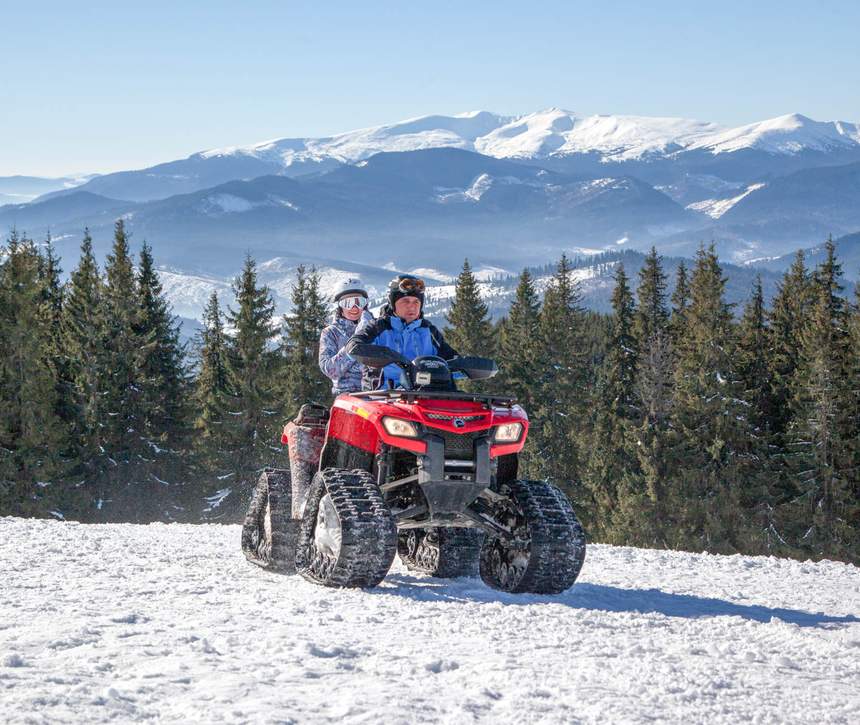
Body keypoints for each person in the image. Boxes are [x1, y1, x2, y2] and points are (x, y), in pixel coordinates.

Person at [347, 274, 458, 389]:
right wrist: (383, 355)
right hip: (384, 397)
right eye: (406, 301)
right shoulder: (377, 327)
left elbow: (451, 359)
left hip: (426, 395)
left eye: (416, 302)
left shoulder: (429, 331)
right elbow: (352, 347)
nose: (412, 307)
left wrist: (467, 365)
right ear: (393, 303)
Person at [318, 278, 373, 395]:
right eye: (348, 303)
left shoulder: (376, 329)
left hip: (376, 394)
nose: (354, 307)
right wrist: (356, 340)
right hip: (346, 396)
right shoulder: (331, 333)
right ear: (340, 307)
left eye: (359, 302)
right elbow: (330, 370)